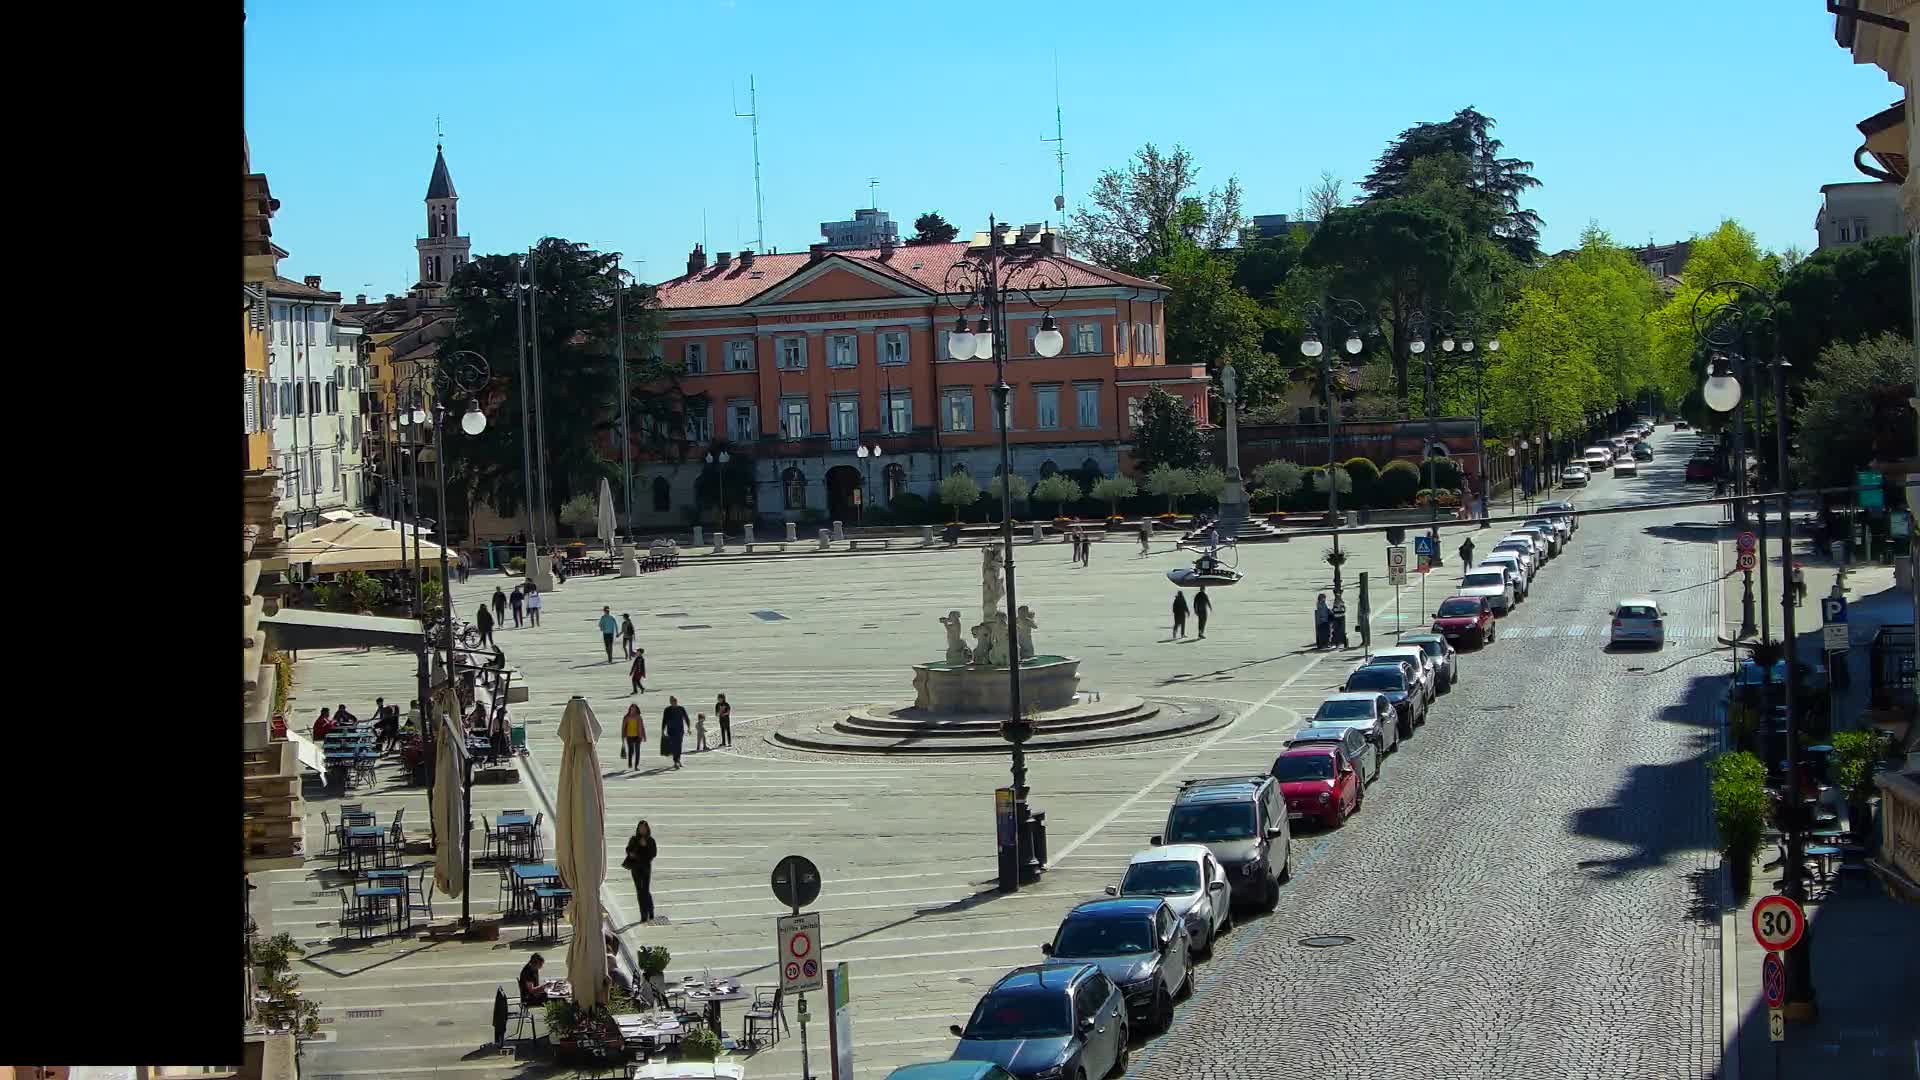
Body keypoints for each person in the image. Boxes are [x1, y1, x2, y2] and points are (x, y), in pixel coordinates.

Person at [623, 821, 658, 923]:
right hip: (635, 868)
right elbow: (628, 849)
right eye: (640, 828)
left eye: (644, 828)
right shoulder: (634, 839)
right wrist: (633, 852)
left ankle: (650, 911)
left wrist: (645, 846)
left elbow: (653, 854)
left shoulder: (650, 840)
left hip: (646, 868)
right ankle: (643, 915)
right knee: (639, 891)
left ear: (647, 829)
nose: (642, 830)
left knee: (645, 891)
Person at [661, 697, 688, 769]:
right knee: (673, 746)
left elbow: (686, 718)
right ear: (670, 702)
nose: (674, 702)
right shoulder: (667, 710)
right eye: (672, 701)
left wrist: (688, 728)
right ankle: (676, 761)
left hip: (680, 730)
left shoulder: (681, 709)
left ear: (676, 701)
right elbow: (664, 720)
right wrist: (662, 730)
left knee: (679, 745)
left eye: (675, 701)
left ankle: (678, 760)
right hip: (671, 731)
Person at [621, 704, 645, 770]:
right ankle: (630, 763)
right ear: (630, 709)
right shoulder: (627, 717)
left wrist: (644, 736)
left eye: (634, 709)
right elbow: (623, 728)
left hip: (638, 736)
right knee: (631, 751)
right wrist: (622, 736)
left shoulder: (639, 717)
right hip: (629, 736)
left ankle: (636, 766)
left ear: (636, 710)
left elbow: (642, 727)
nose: (633, 710)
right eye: (632, 709)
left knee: (637, 751)